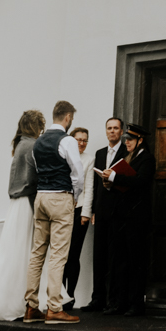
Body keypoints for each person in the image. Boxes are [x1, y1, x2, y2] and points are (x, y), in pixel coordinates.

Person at [0, 109, 44, 321]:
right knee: (25, 252)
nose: (42, 130)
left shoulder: (18, 145)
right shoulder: (32, 146)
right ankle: (21, 301)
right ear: (35, 126)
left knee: (12, 251)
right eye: (41, 126)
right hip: (27, 202)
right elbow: (35, 177)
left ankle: (2, 299)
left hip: (16, 204)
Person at [23, 99, 84, 324]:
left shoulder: (37, 142)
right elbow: (77, 172)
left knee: (37, 252)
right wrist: (74, 197)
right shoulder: (66, 140)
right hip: (60, 197)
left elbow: (38, 169)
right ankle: (54, 308)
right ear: (67, 118)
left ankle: (31, 307)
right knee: (58, 255)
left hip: (41, 196)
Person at [99, 123, 155, 316]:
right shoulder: (126, 158)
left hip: (136, 217)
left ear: (140, 140)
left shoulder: (147, 159)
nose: (127, 142)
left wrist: (116, 177)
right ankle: (117, 302)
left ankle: (135, 304)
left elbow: (140, 181)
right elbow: (122, 183)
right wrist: (109, 183)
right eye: (127, 139)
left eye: (130, 139)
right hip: (121, 216)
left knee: (135, 261)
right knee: (119, 261)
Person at [81, 116, 124, 313]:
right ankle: (97, 298)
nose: (112, 131)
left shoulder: (126, 152)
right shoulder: (99, 154)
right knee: (99, 256)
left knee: (115, 257)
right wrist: (93, 211)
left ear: (121, 132)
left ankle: (113, 300)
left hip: (118, 211)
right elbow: (95, 186)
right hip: (101, 211)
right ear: (106, 131)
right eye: (109, 128)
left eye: (116, 128)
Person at [62, 126, 93, 308]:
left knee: (74, 255)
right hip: (62, 211)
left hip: (79, 211)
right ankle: (59, 295)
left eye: (84, 140)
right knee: (61, 256)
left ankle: (70, 296)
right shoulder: (63, 156)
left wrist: (86, 213)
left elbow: (89, 188)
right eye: (78, 139)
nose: (81, 143)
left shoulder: (89, 159)